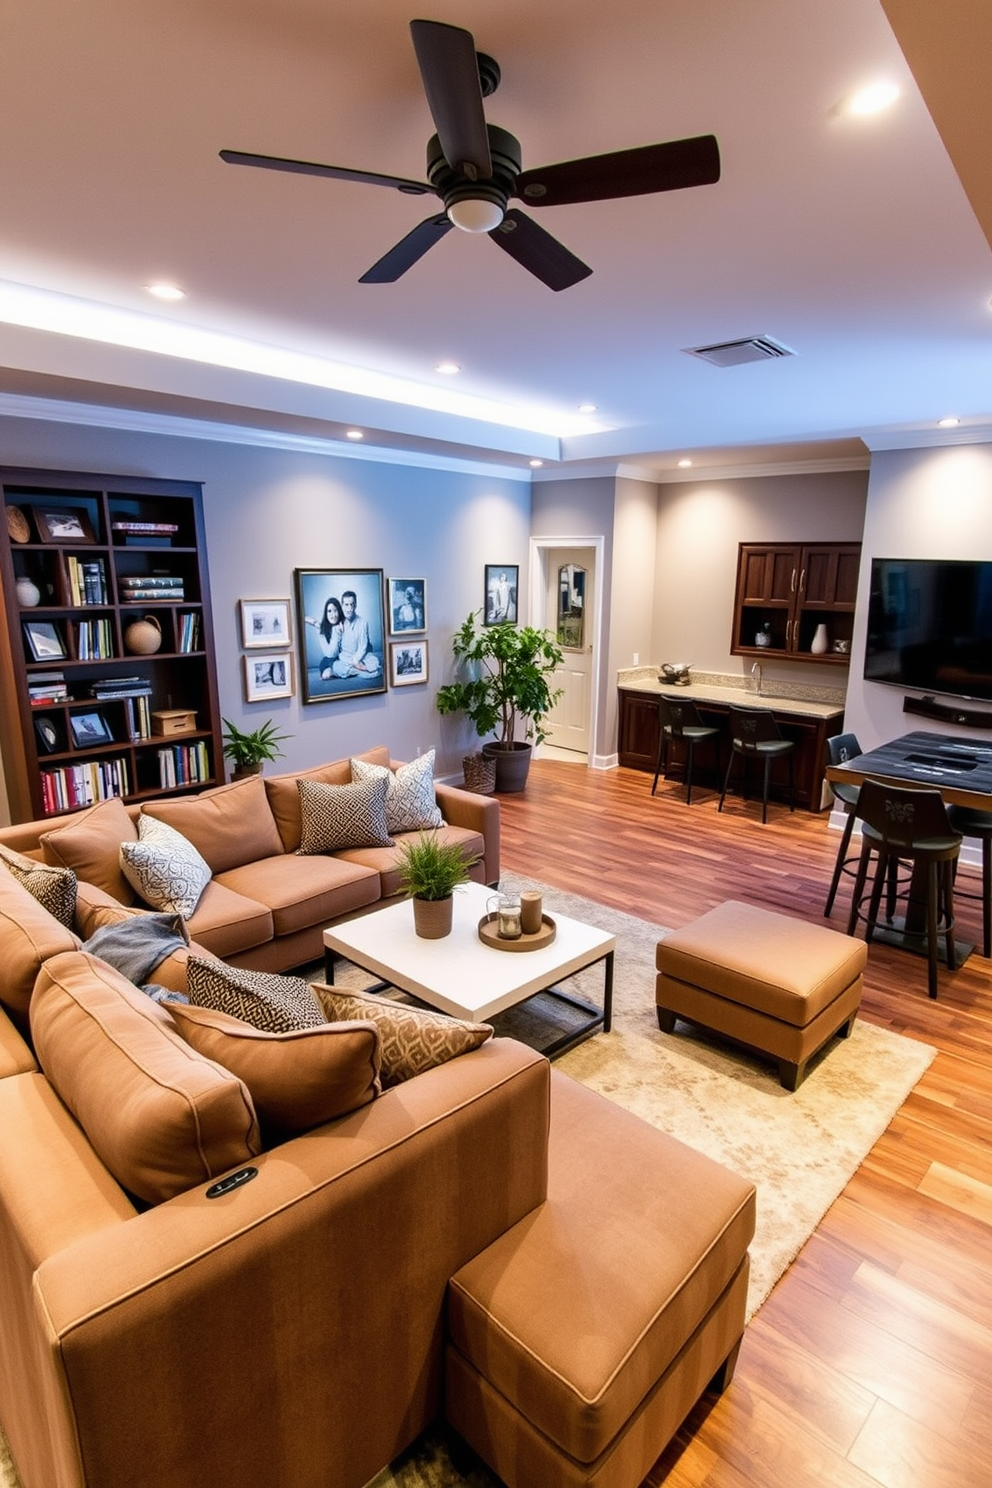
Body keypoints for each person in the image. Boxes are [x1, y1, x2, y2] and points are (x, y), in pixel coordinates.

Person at [333, 590, 381, 678]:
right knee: (337, 667)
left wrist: (356, 660)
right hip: (346, 658)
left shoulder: (362, 622)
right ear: (342, 606)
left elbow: (363, 646)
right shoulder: (338, 623)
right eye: (346, 605)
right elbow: (336, 649)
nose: (349, 608)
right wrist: (337, 632)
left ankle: (359, 668)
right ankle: (360, 671)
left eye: (352, 604)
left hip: (362, 656)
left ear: (356, 605)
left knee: (374, 662)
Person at [304, 596, 344, 680]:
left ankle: (339, 672)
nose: (333, 615)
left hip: (340, 660)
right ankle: (336, 672)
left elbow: (334, 653)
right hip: (327, 660)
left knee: (329, 673)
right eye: (329, 611)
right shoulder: (325, 627)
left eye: (335, 611)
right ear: (326, 613)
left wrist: (338, 633)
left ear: (339, 611)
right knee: (326, 675)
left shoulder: (343, 625)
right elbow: (328, 654)